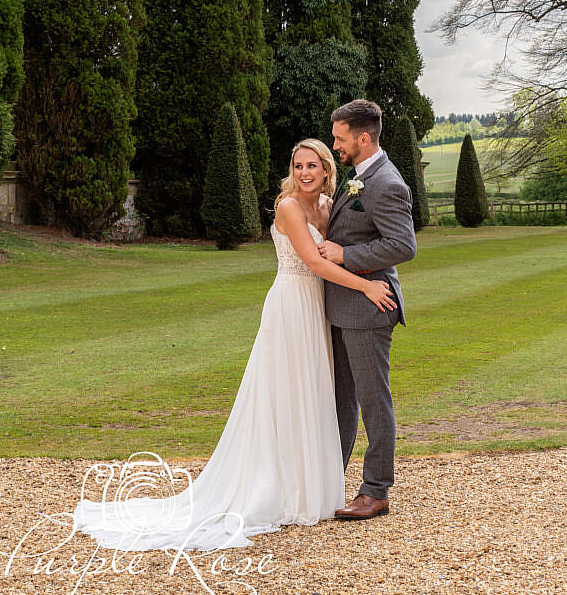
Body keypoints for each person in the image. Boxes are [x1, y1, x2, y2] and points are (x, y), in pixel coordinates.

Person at [71, 139, 396, 552]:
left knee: (312, 394)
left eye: (313, 165)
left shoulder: (330, 207)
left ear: (327, 170)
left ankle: (309, 485)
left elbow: (339, 250)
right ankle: (275, 487)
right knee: (282, 393)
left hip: (318, 310)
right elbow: (315, 264)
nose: (305, 173)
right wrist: (367, 285)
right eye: (298, 165)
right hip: (291, 305)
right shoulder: (290, 208)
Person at [319, 99, 416, 520]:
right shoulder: (359, 177)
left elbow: (403, 246)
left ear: (363, 138)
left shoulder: (387, 183)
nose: (335, 145)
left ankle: (376, 490)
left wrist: (345, 255)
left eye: (340, 138)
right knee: (342, 401)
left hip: (369, 308)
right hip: (343, 307)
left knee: (373, 400)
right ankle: (328, 478)